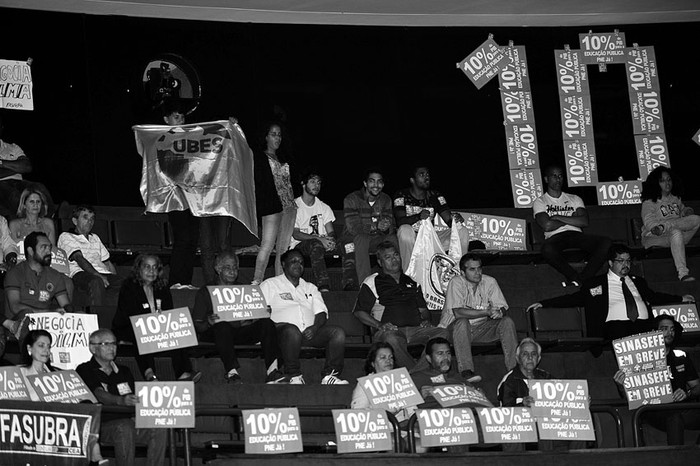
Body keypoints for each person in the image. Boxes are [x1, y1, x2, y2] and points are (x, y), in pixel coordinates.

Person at [528, 243, 694, 341]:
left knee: (660, 332)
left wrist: (680, 297)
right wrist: (544, 303)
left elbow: (654, 296)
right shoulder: (596, 283)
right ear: (610, 262)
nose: (626, 265)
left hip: (643, 325)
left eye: (628, 261)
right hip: (615, 328)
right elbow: (575, 298)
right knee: (620, 330)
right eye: (621, 261)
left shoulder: (638, 282)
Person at [352, 241, 448, 371]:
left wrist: (425, 320)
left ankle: (416, 373)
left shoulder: (411, 281)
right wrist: (379, 325)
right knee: (392, 338)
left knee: (442, 333)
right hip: (390, 330)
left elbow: (423, 310)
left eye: (396, 255)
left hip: (416, 329)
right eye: (388, 257)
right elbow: (359, 312)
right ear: (380, 263)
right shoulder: (372, 281)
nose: (394, 259)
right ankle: (419, 375)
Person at [77, 329, 167, 466]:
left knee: (159, 426)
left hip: (128, 421)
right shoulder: (84, 369)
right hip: (101, 425)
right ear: (93, 348)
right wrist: (120, 400)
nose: (112, 348)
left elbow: (132, 397)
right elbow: (98, 393)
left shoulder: (124, 370)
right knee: (124, 426)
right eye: (106, 344)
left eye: (114, 343)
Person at [192, 251, 284, 383]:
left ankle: (273, 371)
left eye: (235, 268)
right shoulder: (206, 291)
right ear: (218, 269)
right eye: (228, 268)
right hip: (215, 333)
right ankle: (232, 373)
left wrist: (261, 312)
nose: (232, 272)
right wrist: (208, 322)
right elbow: (197, 325)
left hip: (239, 332)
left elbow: (251, 318)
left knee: (266, 323)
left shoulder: (244, 290)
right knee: (222, 326)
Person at [260, 249, 347, 384]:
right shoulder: (270, 285)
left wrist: (315, 327)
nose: (298, 265)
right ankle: (293, 374)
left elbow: (321, 313)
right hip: (281, 333)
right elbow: (257, 311)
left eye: (301, 262)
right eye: (293, 261)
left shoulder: (310, 287)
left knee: (338, 333)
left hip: (307, 333)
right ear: (283, 264)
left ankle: (330, 375)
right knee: (291, 330)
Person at [113, 253, 201, 382]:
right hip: (128, 327)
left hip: (157, 328)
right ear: (139, 269)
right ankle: (149, 373)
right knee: (141, 331)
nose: (151, 271)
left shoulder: (162, 287)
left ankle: (183, 373)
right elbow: (131, 315)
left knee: (176, 329)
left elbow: (169, 312)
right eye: (147, 267)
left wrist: (163, 317)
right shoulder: (129, 286)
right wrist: (153, 320)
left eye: (155, 267)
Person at [614, 314, 700, 445]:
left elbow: (697, 387)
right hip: (655, 411)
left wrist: (687, 393)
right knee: (674, 418)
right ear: (654, 332)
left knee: (678, 415)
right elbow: (629, 397)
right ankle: (676, 460)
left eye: (672, 329)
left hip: (682, 408)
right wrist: (620, 385)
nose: (669, 333)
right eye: (664, 329)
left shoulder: (681, 356)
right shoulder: (639, 359)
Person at [439, 253, 517, 382]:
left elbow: (503, 307)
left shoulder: (489, 281)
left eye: (479, 268)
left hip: (479, 329)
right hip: (452, 332)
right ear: (463, 273)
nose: (477, 273)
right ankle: (466, 371)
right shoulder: (456, 282)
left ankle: (514, 370)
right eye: (472, 269)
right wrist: (487, 312)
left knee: (506, 322)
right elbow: (459, 313)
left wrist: (499, 312)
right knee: (462, 322)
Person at [498, 338, 586, 451]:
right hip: (522, 426)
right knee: (544, 427)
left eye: (533, 354)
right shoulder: (508, 381)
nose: (530, 358)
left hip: (547, 425)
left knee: (580, 424)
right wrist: (523, 406)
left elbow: (565, 401)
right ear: (518, 359)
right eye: (525, 354)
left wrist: (581, 402)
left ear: (538, 358)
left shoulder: (546, 377)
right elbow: (504, 413)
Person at [533, 165, 612, 287]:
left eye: (560, 176)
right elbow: (547, 225)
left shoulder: (574, 198)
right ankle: (575, 277)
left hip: (576, 235)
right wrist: (572, 218)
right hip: (556, 237)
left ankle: (583, 279)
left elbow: (584, 221)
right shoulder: (540, 201)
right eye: (554, 176)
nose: (558, 179)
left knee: (606, 242)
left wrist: (558, 217)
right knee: (547, 250)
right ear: (546, 179)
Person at [392, 166, 469, 272]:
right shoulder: (401, 195)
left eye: (427, 174)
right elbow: (400, 221)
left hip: (430, 238)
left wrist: (455, 220)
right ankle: (409, 275)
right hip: (412, 239)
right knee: (405, 230)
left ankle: (460, 272)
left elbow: (448, 220)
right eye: (422, 175)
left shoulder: (435, 195)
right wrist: (418, 217)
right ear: (412, 180)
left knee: (461, 230)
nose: (426, 177)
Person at [3, 231, 71, 343]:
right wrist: (47, 313)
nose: (49, 251)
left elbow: (65, 304)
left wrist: (68, 311)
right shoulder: (15, 272)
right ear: (30, 251)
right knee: (26, 315)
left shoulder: (55, 275)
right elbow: (15, 306)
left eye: (49, 247)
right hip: (18, 324)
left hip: (46, 324)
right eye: (43, 247)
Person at [251, 121, 296, 285]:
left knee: (283, 249)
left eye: (279, 135)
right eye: (273, 134)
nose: (277, 138)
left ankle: (279, 283)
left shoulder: (284, 157)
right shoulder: (259, 156)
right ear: (266, 136)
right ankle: (257, 280)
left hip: (289, 206)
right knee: (267, 245)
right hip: (271, 207)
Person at [161, 99, 199, 290]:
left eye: (183, 117)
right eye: (176, 116)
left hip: (193, 197)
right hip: (174, 198)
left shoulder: (191, 139)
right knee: (182, 238)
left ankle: (186, 282)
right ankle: (175, 281)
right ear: (166, 119)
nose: (181, 120)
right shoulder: (161, 139)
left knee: (192, 239)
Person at [341, 168, 397, 291]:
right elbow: (353, 228)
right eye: (372, 181)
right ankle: (365, 286)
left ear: (383, 184)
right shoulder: (351, 199)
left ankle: (395, 280)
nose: (376, 185)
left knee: (392, 238)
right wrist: (375, 226)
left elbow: (389, 225)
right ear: (365, 183)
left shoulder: (386, 199)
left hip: (376, 239)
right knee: (362, 238)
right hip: (353, 238)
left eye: (379, 182)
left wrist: (386, 227)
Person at [640, 166, 700, 282]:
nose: (667, 183)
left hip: (676, 236)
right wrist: (656, 228)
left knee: (697, 219)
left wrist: (685, 211)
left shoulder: (676, 198)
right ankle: (683, 274)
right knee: (676, 232)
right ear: (656, 183)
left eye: (669, 180)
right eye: (662, 181)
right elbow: (649, 222)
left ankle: (666, 227)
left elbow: (681, 212)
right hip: (655, 237)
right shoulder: (649, 202)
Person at [58, 205, 121, 306]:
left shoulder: (95, 237)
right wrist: (98, 275)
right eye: (85, 217)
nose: (90, 221)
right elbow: (79, 259)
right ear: (75, 221)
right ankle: (97, 318)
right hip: (80, 273)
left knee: (124, 283)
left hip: (101, 273)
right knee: (96, 281)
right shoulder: (66, 236)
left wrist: (114, 277)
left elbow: (107, 263)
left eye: (92, 219)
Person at [0, 112, 56, 219]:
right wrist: (17, 168)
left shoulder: (12, 147)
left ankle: (51, 215)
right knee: (15, 195)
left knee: (39, 187)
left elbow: (27, 167)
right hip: (1, 184)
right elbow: (22, 168)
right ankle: (28, 220)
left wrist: (2, 163)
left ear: (2, 127)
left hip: (19, 182)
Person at [290, 169, 336, 292]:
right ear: (303, 184)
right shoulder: (294, 206)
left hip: (322, 242)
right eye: (312, 182)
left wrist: (331, 240)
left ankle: (351, 285)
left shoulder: (324, 207)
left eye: (319, 182)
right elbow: (296, 234)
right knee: (316, 244)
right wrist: (319, 239)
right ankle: (324, 286)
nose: (316, 185)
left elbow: (330, 230)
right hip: (300, 245)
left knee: (349, 245)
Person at [410, 337, 477, 408]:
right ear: (429, 358)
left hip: (464, 415)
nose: (445, 357)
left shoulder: (458, 377)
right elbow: (402, 410)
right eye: (440, 353)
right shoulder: (415, 378)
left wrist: (479, 396)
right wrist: (419, 397)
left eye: (448, 353)